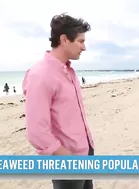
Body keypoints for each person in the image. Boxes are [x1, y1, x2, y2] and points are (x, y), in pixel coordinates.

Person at [22, 13, 94, 189]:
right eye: (80, 41)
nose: (84, 47)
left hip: (86, 153)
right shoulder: (40, 75)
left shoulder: (69, 72)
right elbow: (36, 131)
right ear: (64, 39)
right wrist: (66, 156)